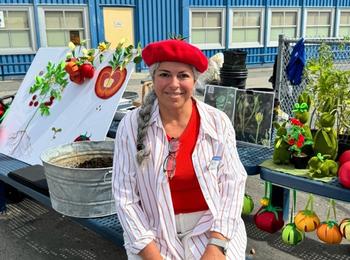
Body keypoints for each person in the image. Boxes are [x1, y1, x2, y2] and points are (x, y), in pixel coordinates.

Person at [112, 39, 247, 260]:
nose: (174, 84)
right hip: (153, 230)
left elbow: (233, 183)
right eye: (164, 74)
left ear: (195, 80)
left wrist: (217, 245)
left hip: (212, 226)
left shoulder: (217, 122)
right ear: (153, 78)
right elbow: (125, 196)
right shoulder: (131, 125)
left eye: (183, 75)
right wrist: (152, 255)